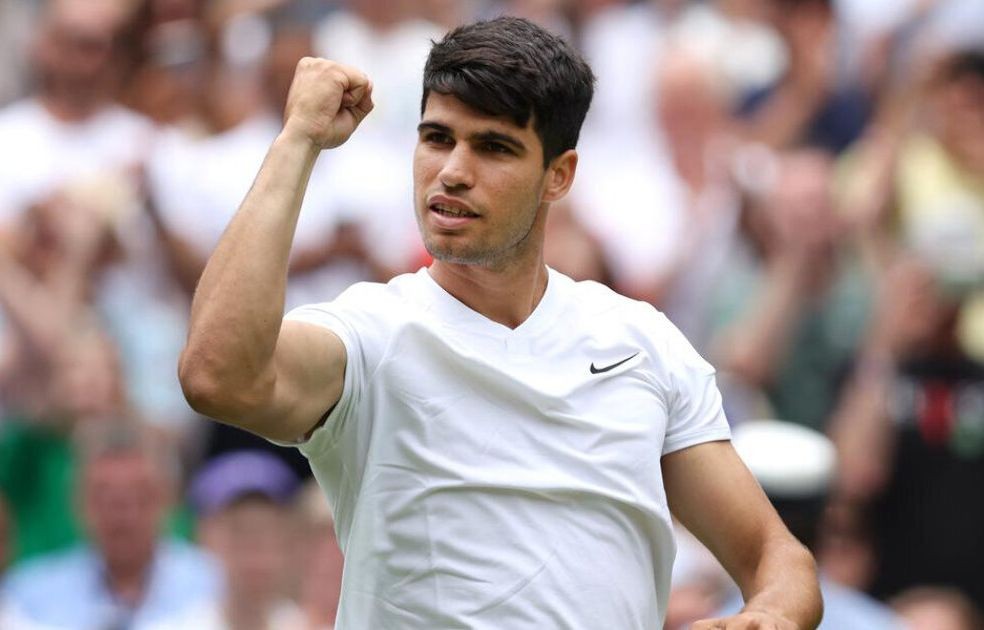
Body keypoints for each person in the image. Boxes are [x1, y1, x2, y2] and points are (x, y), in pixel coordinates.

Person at [179, 16, 822, 629]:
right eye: (437, 138)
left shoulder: (642, 343)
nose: (453, 172)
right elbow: (216, 377)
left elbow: (777, 558)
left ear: (558, 176)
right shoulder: (368, 335)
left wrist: (772, 614)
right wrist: (297, 140)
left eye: (493, 147)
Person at [0, 420, 220, 629]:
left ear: (168, 500)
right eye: (106, 498)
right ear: (78, 503)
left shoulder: (213, 587)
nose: (123, 514)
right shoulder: (28, 596)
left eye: (139, 496)